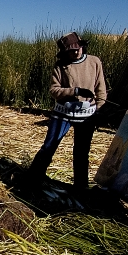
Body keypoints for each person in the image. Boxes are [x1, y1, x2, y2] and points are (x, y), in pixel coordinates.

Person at [24, 32, 107, 191]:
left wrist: (100, 112)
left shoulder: (94, 62)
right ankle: (32, 180)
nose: (76, 52)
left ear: (82, 46)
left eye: (78, 48)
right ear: (65, 52)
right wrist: (74, 91)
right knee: (49, 146)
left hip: (87, 116)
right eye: (71, 50)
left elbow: (101, 90)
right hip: (63, 114)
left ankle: (81, 188)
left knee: (82, 153)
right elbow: (54, 90)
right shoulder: (60, 66)